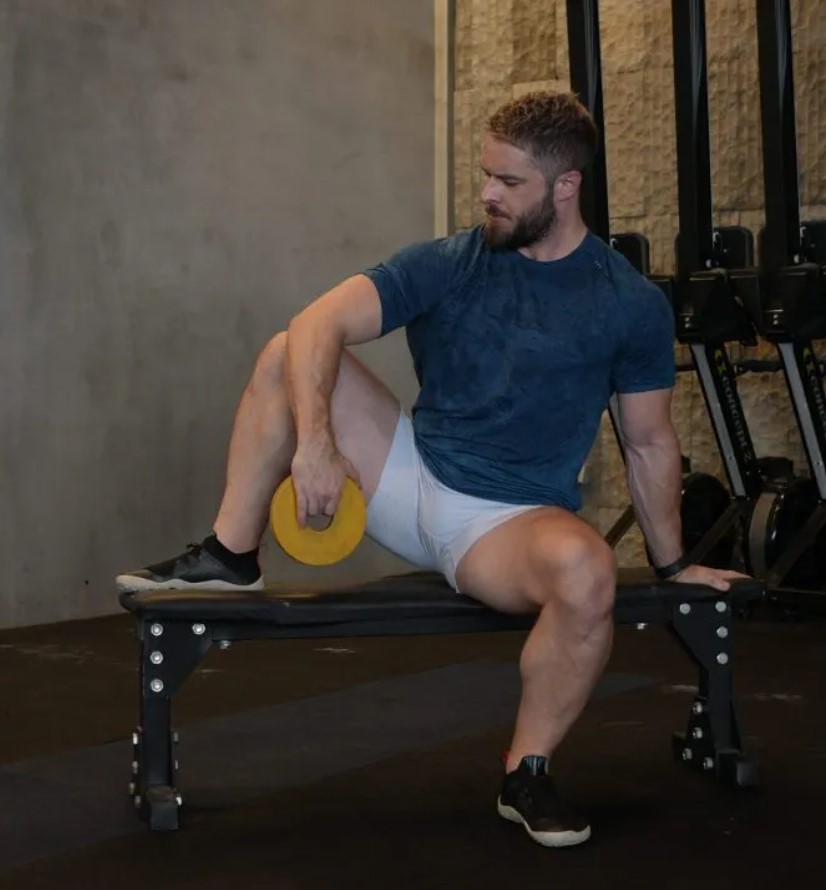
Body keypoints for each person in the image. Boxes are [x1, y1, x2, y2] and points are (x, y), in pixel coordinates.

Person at [116, 91, 744, 848]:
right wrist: (315, 442)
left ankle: (527, 771)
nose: (487, 193)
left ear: (567, 186)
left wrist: (674, 565)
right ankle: (230, 553)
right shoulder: (452, 261)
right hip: (408, 472)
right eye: (486, 174)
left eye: (509, 182)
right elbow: (321, 321)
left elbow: (647, 443)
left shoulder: (627, 303)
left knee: (588, 570)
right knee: (292, 347)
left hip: (505, 525)